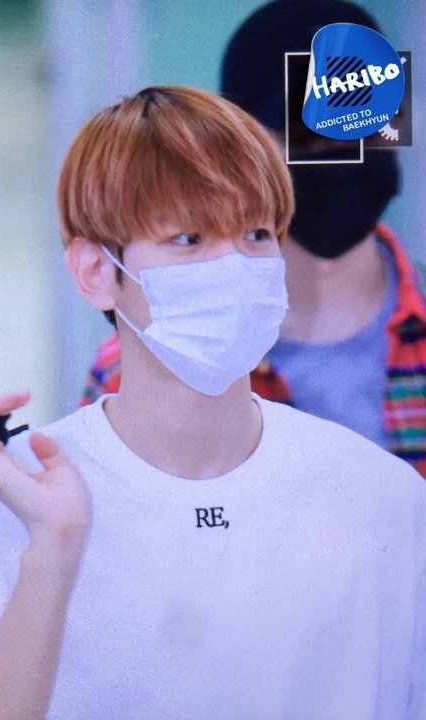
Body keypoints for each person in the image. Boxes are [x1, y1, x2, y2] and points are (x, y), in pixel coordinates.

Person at [0, 86, 425, 720]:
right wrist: (51, 554)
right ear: (96, 271)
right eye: (188, 238)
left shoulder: (387, 500)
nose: (234, 265)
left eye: (257, 233)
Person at [81, 0, 426, 478]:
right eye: (308, 129)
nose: (345, 150)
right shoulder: (148, 359)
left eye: (367, 120)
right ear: (240, 147)